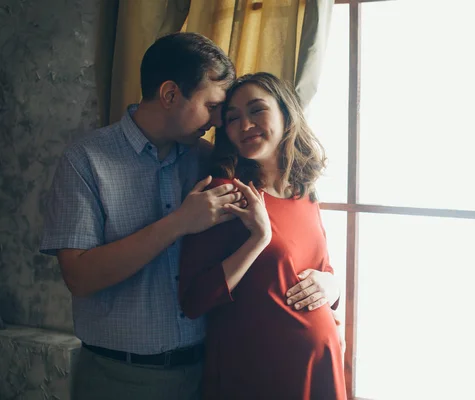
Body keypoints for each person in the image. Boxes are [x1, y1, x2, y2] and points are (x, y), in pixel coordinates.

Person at [39, 33, 241, 400]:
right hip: (115, 379)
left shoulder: (208, 159)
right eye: (211, 106)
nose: (217, 120)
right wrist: (180, 222)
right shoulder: (85, 160)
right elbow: (79, 276)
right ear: (169, 95)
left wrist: (325, 280)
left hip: (204, 373)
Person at [178, 72, 346, 400]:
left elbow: (321, 268)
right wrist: (259, 239)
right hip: (256, 374)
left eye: (257, 110)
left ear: (286, 113)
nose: (245, 125)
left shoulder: (304, 193)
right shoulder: (225, 193)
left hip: (318, 369)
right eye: (232, 118)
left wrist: (332, 286)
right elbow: (194, 299)